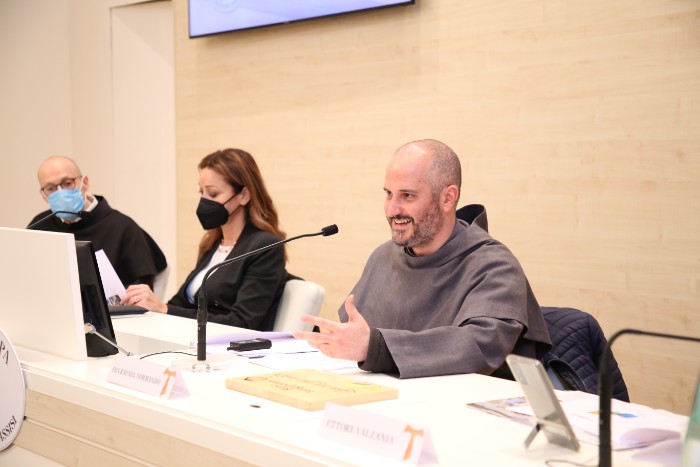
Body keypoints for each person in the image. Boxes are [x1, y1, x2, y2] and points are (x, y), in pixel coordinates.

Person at [295, 139, 551, 379]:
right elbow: (356, 337)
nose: (392, 209)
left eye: (407, 195)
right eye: (389, 194)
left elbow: (479, 346)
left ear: (447, 198)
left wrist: (376, 347)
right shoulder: (383, 257)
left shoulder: (494, 266)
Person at [120, 148, 289, 331]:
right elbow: (180, 303)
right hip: (192, 339)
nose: (203, 201)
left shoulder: (265, 247)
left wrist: (163, 309)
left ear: (243, 196)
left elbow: (241, 323)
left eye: (213, 194)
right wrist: (148, 305)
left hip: (228, 345)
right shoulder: (212, 244)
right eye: (202, 192)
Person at [28, 155, 167, 288]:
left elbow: (142, 289)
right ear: (43, 196)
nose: (60, 192)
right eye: (51, 188)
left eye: (67, 183)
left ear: (85, 183)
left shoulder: (122, 227)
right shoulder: (38, 227)